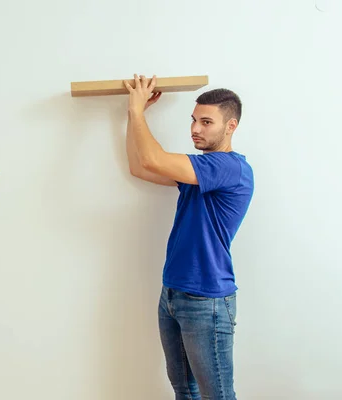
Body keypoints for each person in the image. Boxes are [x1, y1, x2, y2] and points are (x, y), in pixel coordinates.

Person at [123, 75, 254, 400]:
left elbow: (153, 158)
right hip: (173, 294)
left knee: (217, 396)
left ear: (231, 126)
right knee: (184, 390)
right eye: (194, 120)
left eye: (206, 122)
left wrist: (139, 112)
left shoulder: (228, 168)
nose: (195, 128)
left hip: (206, 302)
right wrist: (132, 115)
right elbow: (140, 166)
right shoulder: (197, 175)